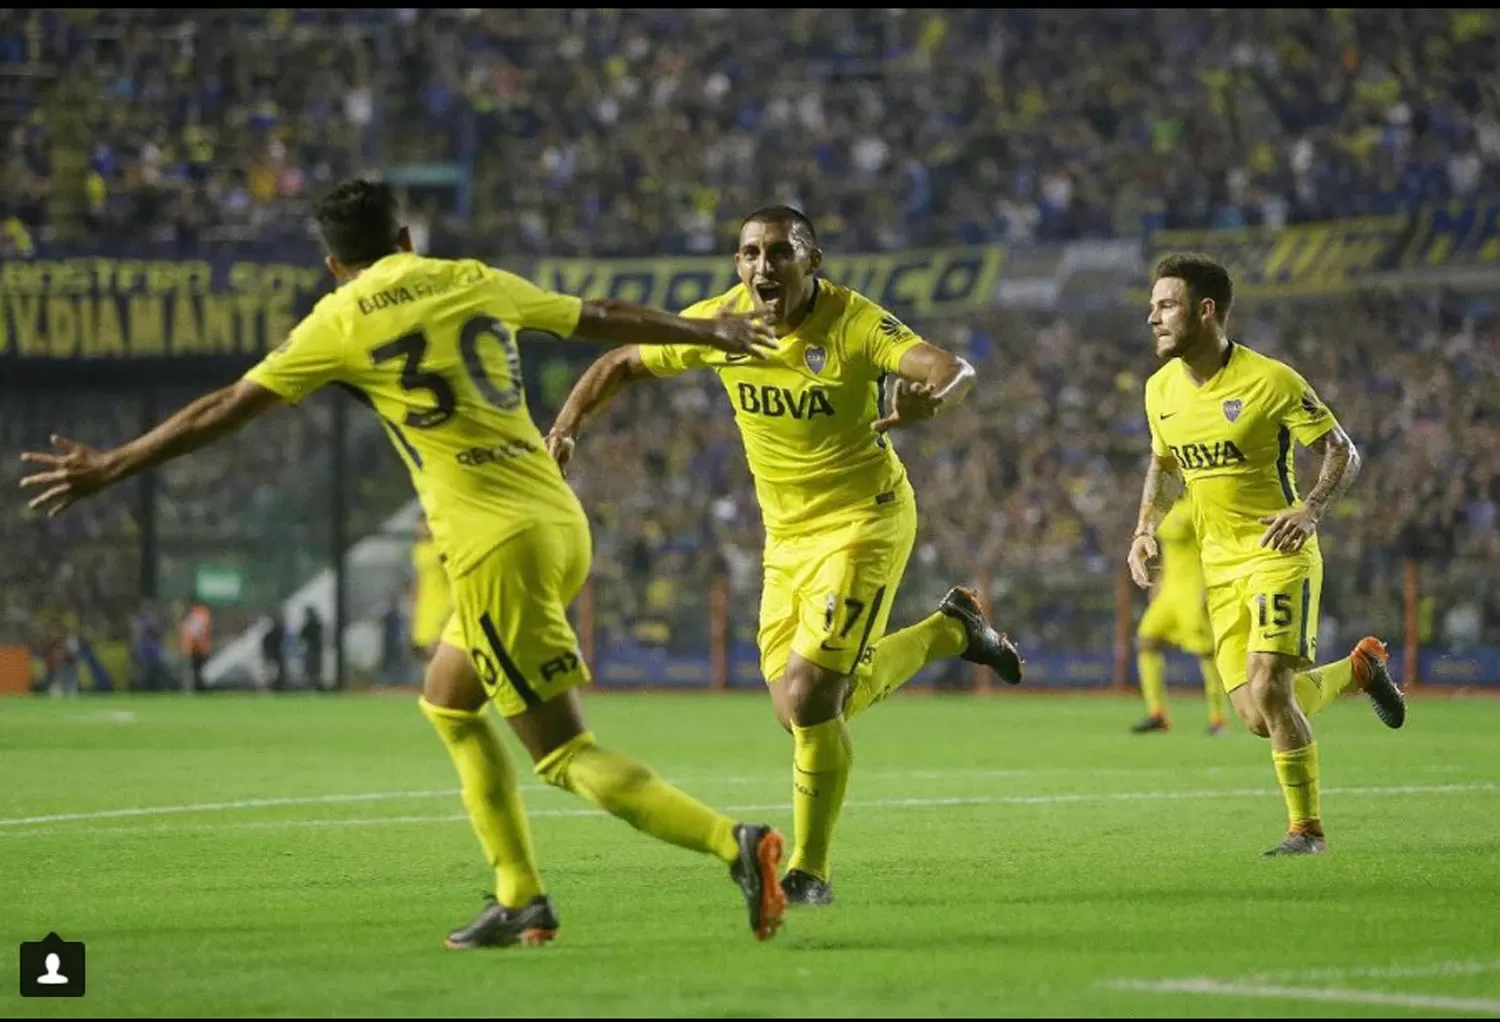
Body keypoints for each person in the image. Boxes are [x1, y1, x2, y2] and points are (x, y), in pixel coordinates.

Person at [20, 178, 789, 947]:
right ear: (406, 238)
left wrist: (112, 466)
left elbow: (224, 408)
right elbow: (597, 318)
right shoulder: (470, 279)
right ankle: (519, 895)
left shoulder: (338, 319)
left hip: (494, 548)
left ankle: (735, 844)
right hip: (557, 520)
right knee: (448, 701)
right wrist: (712, 332)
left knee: (560, 753)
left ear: (332, 263)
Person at [547, 206, 1023, 906]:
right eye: (748, 254)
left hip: (866, 522)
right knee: (796, 708)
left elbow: (952, 369)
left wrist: (934, 400)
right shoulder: (722, 323)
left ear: (813, 261)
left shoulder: (854, 322)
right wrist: (564, 430)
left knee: (809, 698)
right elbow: (622, 360)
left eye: (778, 253)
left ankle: (809, 871)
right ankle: (951, 630)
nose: (762, 267)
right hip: (786, 538)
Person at [1126, 252, 1407, 857]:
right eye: (1151, 306)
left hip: (1277, 554)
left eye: (1166, 305)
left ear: (1206, 311)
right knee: (1258, 713)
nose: (1152, 317)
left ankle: (1307, 831)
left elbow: (1341, 451)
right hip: (1217, 568)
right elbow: (1166, 464)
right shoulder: (1159, 391)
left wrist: (1310, 509)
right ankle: (1357, 671)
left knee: (1269, 686)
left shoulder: (1270, 380)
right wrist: (1144, 527)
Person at [1130, 494, 1226, 735]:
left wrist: (1210, 586)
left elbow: (1215, 546)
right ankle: (1157, 713)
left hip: (1194, 588)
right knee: (1146, 641)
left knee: (1206, 652)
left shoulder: (1202, 503)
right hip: (1169, 590)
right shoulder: (1168, 507)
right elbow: (1168, 550)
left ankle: (1218, 718)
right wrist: (1160, 581)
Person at [410, 513, 452, 663]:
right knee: (426, 654)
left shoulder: (443, 547)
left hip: (442, 606)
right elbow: (417, 580)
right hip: (424, 609)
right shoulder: (418, 549)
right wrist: (414, 607)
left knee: (437, 649)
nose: (422, 528)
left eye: (425, 523)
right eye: (420, 524)